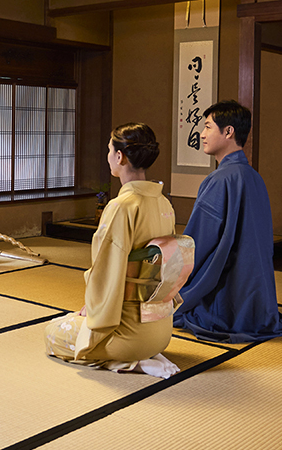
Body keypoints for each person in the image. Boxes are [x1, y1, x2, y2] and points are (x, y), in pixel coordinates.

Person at [44, 123, 181, 378]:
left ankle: (130, 362)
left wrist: (93, 310)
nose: (108, 156)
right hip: (161, 332)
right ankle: (147, 354)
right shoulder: (164, 203)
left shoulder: (122, 206)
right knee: (78, 319)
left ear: (120, 156)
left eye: (110, 150)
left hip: (129, 335)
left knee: (53, 333)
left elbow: (106, 272)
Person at [173, 100, 282, 343]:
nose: (202, 134)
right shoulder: (253, 176)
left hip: (226, 298)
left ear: (228, 132)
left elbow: (197, 243)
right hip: (256, 298)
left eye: (207, 127)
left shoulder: (220, 180)